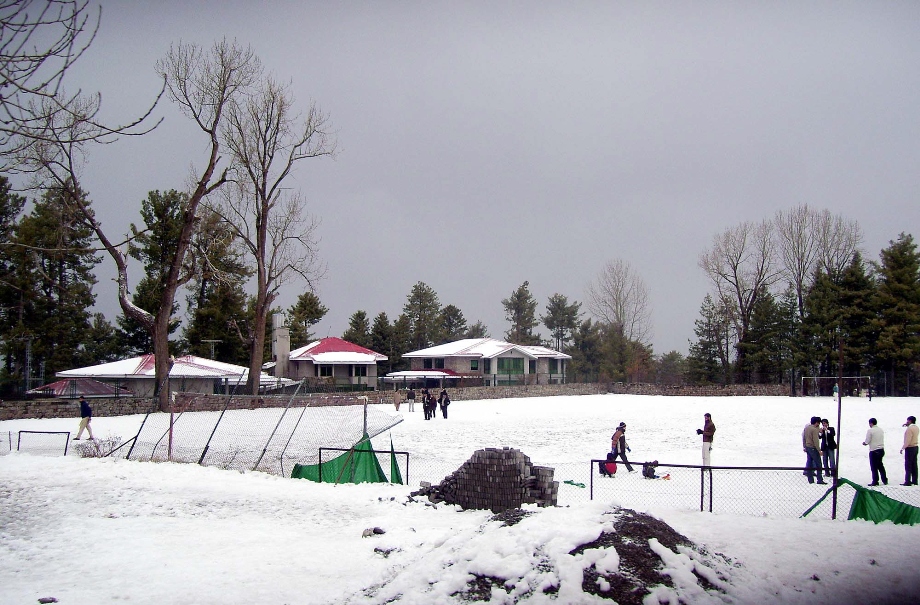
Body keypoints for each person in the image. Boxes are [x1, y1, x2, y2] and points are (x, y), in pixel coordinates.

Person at [862, 417, 888, 486]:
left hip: (874, 451)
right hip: (881, 450)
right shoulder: (881, 430)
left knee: (874, 467)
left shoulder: (870, 431)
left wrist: (864, 443)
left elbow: (867, 440)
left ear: (871, 423)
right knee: (880, 465)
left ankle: (875, 481)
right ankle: (885, 480)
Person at [802, 416, 826, 484]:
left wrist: (804, 446)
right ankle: (819, 479)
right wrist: (819, 450)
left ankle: (810, 479)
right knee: (818, 464)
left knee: (809, 463)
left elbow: (804, 437)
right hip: (813, 448)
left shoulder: (807, 428)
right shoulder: (814, 430)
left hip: (807, 447)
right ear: (817, 422)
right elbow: (816, 441)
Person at [900, 415, 918, 486]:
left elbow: (908, 440)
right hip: (915, 447)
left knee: (908, 465)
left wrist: (903, 448)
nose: (906, 422)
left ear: (910, 421)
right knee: (914, 464)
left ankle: (907, 481)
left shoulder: (909, 429)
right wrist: (907, 426)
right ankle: (914, 480)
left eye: (907, 421)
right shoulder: (916, 427)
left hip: (910, 448)